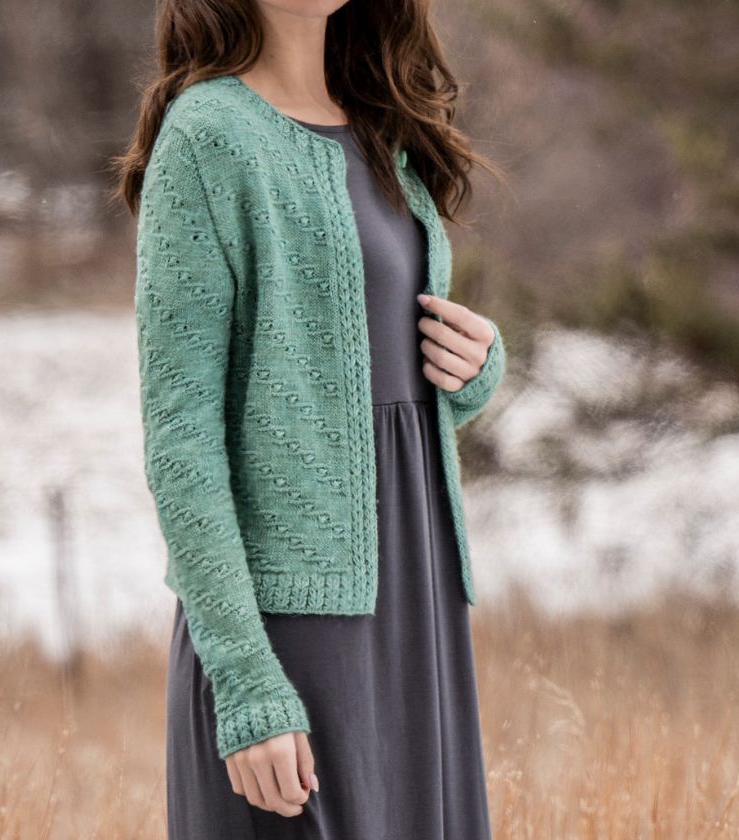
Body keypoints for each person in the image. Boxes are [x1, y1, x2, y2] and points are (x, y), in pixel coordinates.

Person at [111, 1, 508, 836]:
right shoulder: (209, 135)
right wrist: (248, 680)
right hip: (294, 619)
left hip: (416, 591)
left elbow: (367, 387)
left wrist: (472, 370)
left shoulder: (381, 128)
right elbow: (182, 439)